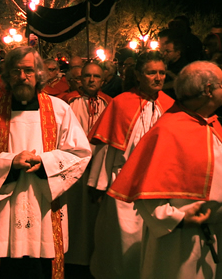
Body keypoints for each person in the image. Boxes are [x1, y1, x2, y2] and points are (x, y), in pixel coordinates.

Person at [0, 46, 92, 278]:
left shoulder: (59, 110)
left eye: (28, 70)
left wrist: (45, 163)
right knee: (8, 267)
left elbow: (80, 153)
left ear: (39, 74)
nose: (22, 77)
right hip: (6, 206)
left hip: (45, 203)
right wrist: (11, 162)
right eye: (16, 71)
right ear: (7, 75)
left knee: (41, 269)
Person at [108, 61, 222, 278]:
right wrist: (178, 220)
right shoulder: (168, 131)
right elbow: (146, 196)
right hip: (182, 241)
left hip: (219, 234)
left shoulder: (210, 123)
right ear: (207, 90)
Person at [87, 52, 175, 279]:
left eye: (162, 72)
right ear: (138, 74)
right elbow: (108, 149)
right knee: (123, 243)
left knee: (155, 244)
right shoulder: (121, 102)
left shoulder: (171, 106)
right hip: (122, 183)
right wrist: (98, 183)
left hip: (158, 187)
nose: (158, 77)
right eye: (151, 72)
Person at [61, 62, 112, 273]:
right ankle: (70, 257)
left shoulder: (110, 103)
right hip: (72, 165)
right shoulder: (67, 101)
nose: (92, 80)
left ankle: (94, 257)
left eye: (96, 77)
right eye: (88, 76)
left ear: (103, 80)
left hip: (98, 166)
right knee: (73, 212)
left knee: (95, 215)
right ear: (80, 79)